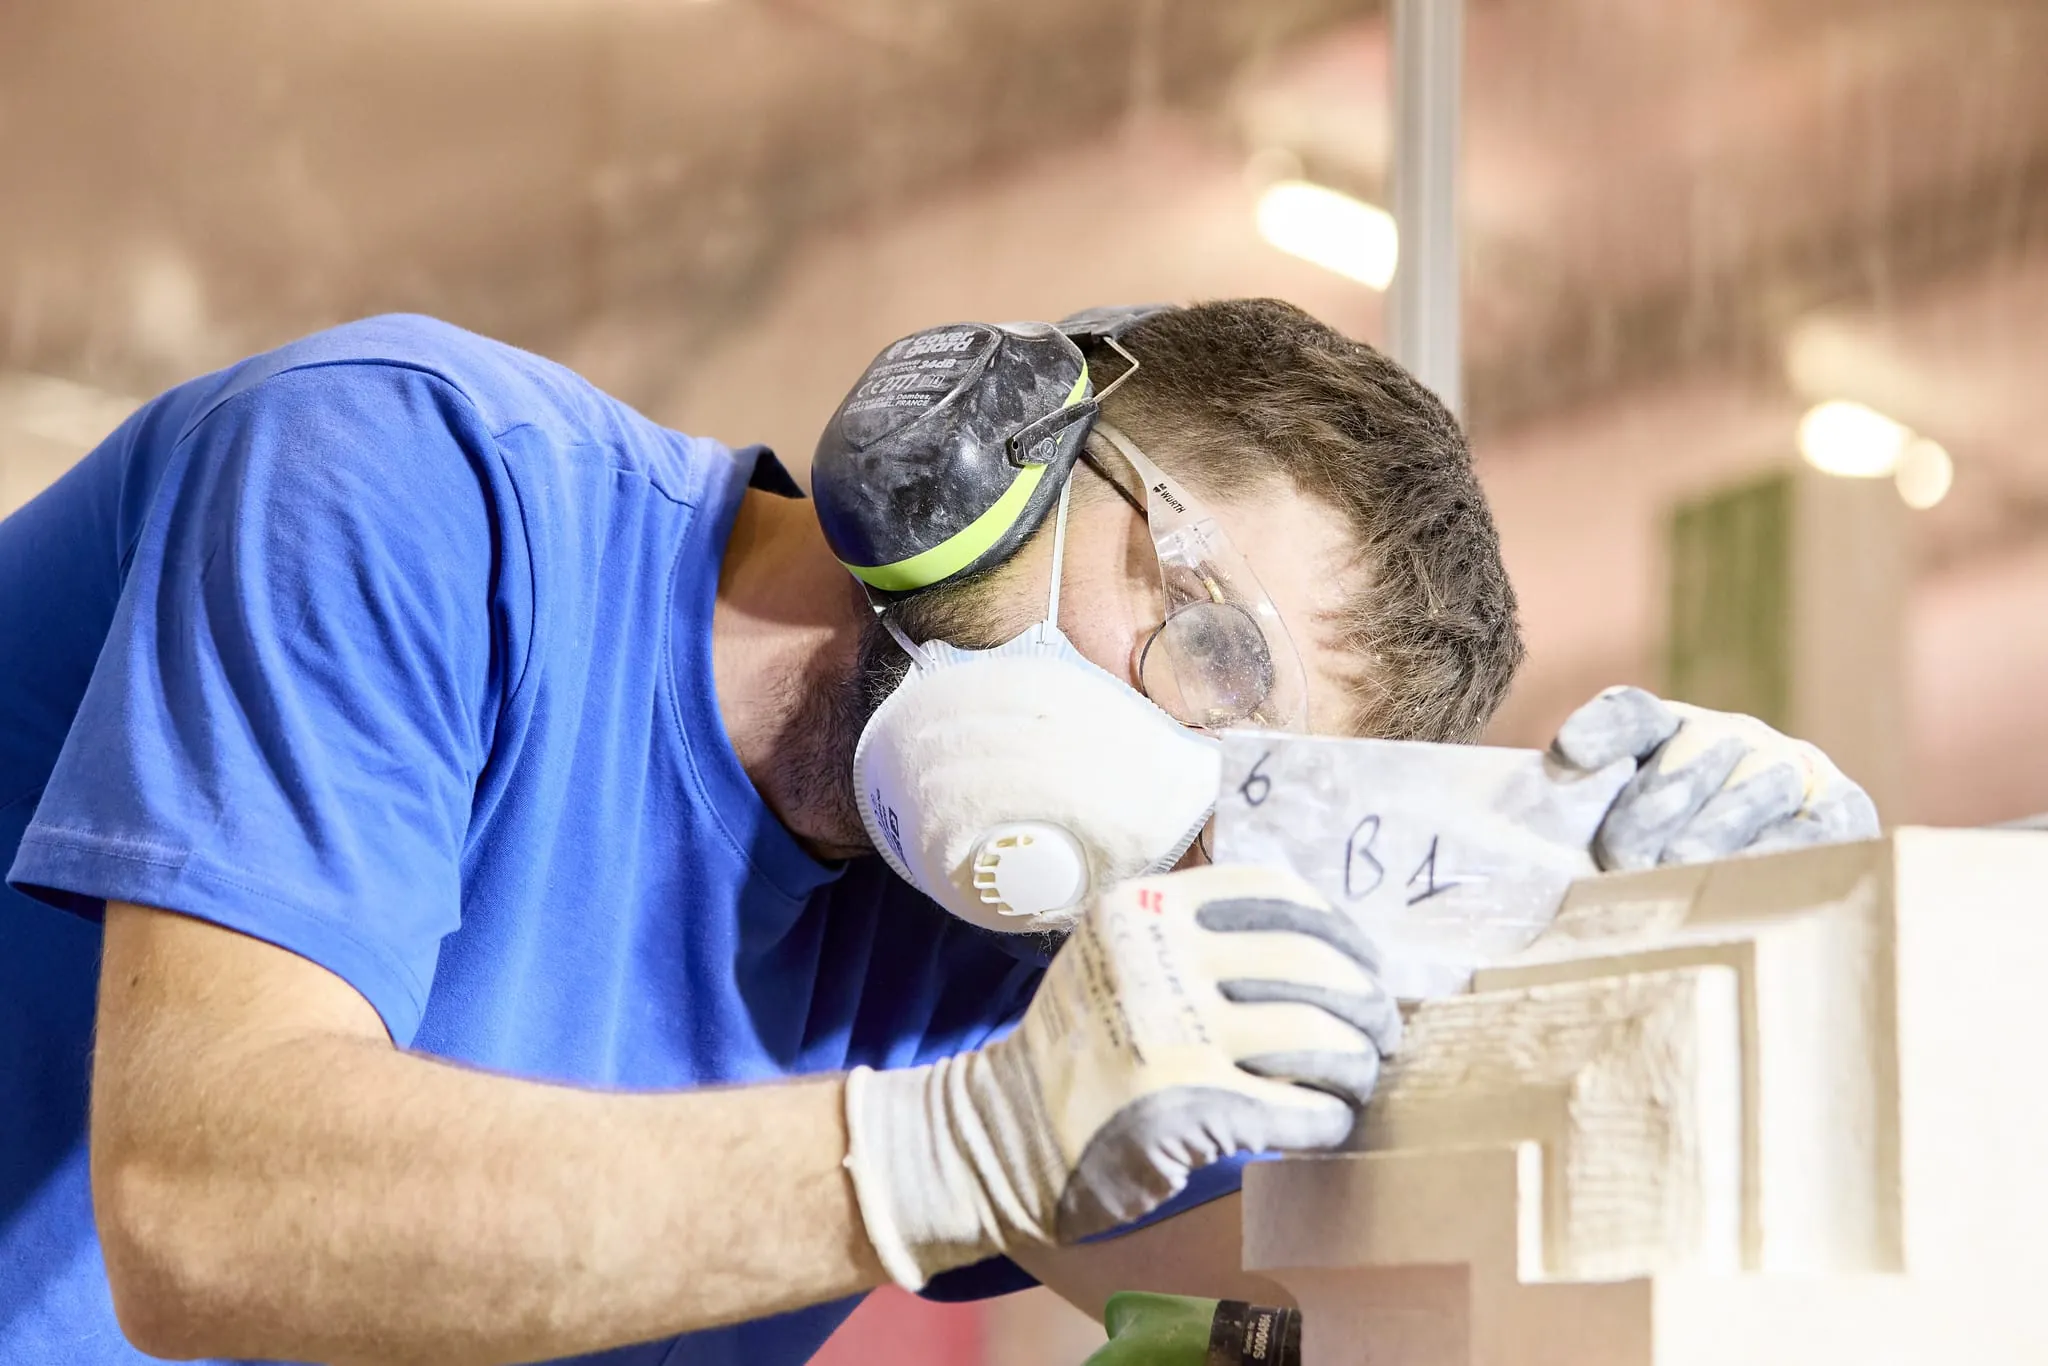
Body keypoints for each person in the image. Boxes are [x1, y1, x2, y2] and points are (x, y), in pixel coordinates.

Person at [0, 300, 1876, 1365]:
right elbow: (203, 1207)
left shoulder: (1016, 952)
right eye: (1206, 651)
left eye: (1245, 779)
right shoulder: (410, 477)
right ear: (985, 446)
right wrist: (957, 1144)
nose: (1168, 785)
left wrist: (1697, 940)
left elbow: (1388, 1277)